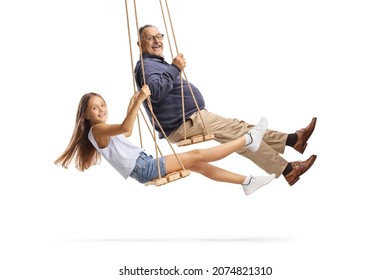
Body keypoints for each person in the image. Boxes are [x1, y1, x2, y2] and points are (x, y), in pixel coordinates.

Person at [135, 24, 317, 186]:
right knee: (243, 136)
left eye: (159, 36)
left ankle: (294, 140)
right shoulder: (146, 66)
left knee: (240, 127)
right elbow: (155, 92)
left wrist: (172, 68)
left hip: (190, 118)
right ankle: (287, 170)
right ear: (139, 44)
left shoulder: (155, 63)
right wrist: (175, 68)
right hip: (184, 122)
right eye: (149, 38)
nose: (156, 41)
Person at [54, 85, 276, 195]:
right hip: (145, 168)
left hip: (144, 166)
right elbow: (126, 126)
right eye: (95, 108)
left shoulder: (100, 131)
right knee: (197, 155)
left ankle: (246, 183)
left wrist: (134, 104)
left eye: (102, 104)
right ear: (86, 115)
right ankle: (248, 139)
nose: (101, 109)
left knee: (199, 164)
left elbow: (126, 132)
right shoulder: (98, 130)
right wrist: (139, 100)